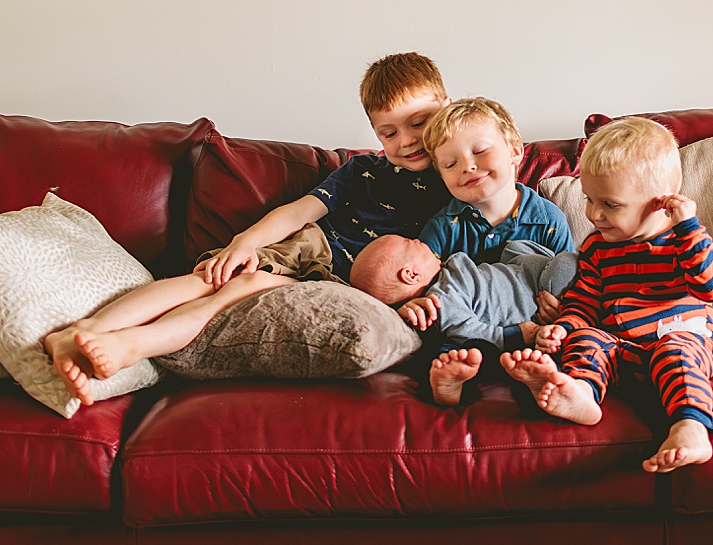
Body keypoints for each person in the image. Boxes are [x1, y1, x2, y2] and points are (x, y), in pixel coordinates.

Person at [43, 52, 453, 405]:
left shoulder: (461, 180)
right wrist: (244, 244)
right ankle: (84, 331)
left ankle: (130, 345)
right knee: (211, 277)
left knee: (239, 289)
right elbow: (298, 212)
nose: (407, 140)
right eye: (389, 132)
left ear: (447, 107)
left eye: (419, 123)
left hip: (348, 284)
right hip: (311, 249)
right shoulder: (363, 171)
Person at [500, 116, 713, 474]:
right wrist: (564, 326)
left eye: (610, 205)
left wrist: (690, 228)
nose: (593, 214)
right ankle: (581, 393)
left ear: (660, 204)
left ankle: (691, 427)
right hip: (620, 348)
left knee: (676, 354)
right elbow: (585, 300)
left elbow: (712, 287)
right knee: (588, 337)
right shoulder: (597, 247)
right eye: (589, 200)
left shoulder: (683, 242)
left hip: (678, 336)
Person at [397, 96, 574, 333]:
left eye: (479, 151)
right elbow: (420, 287)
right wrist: (412, 305)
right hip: (470, 335)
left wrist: (563, 308)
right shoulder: (443, 227)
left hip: (540, 333)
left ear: (514, 151)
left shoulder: (548, 219)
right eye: (450, 164)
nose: (467, 166)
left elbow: (574, 280)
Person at [350, 235, 577, 405]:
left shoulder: (447, 280)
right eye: (411, 242)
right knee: (567, 261)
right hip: (530, 305)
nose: (419, 239)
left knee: (456, 353)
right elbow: (463, 327)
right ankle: (454, 384)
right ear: (411, 274)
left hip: (523, 278)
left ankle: (456, 381)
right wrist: (517, 334)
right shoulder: (440, 296)